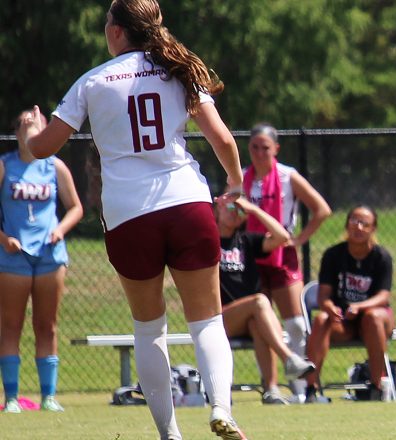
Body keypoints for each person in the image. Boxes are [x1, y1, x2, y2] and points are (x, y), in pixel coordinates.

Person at [23, 1, 246, 438]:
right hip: (187, 205)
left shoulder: (93, 80)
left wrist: (29, 132)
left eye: (107, 22)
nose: (105, 29)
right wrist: (235, 183)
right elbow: (221, 138)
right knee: (207, 321)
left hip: (129, 216)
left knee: (149, 327)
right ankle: (221, 407)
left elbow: (45, 147)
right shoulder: (178, 69)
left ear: (119, 31)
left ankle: (169, 434)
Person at [0, 110, 83, 413]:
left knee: (46, 326)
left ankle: (48, 396)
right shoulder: (5, 166)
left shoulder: (54, 166)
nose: (28, 124)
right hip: (13, 257)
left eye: (34, 122)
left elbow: (75, 207)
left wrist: (60, 230)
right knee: (10, 326)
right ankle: (11, 398)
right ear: (17, 131)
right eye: (23, 122)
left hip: (50, 257)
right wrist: (4, 239)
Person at [243, 123, 331, 399]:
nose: (259, 153)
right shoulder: (243, 177)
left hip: (282, 252)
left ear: (275, 149)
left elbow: (321, 210)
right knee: (263, 323)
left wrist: (299, 239)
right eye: (254, 147)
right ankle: (271, 387)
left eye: (265, 148)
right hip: (252, 253)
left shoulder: (287, 176)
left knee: (294, 323)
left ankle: (302, 386)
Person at [216, 196, 315, 404]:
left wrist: (253, 209)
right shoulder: (208, 240)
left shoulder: (246, 240)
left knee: (257, 323)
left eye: (239, 209)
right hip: (219, 318)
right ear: (218, 206)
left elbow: (281, 236)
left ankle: (271, 390)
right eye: (231, 207)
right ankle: (289, 358)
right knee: (261, 301)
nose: (235, 212)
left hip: (250, 315)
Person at [304, 205, 394, 403]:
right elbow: (324, 296)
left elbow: (383, 296)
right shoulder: (333, 255)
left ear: (373, 229)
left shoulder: (382, 257)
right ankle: (311, 389)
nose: (358, 227)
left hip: (374, 319)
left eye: (365, 223)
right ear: (347, 225)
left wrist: (361, 307)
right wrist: (330, 307)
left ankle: (376, 387)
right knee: (321, 319)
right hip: (343, 321)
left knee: (373, 317)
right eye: (354, 221)